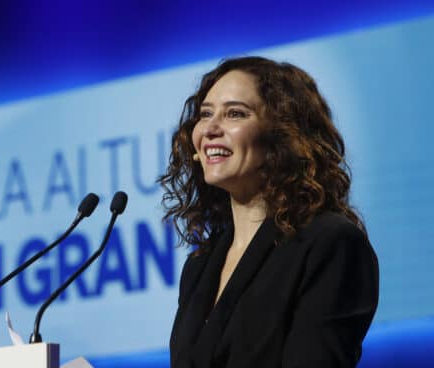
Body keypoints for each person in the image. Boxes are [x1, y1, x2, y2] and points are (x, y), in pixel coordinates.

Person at [160, 56, 379, 367]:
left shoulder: (329, 244)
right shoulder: (200, 264)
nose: (210, 128)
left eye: (235, 113)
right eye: (205, 114)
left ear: (284, 135)